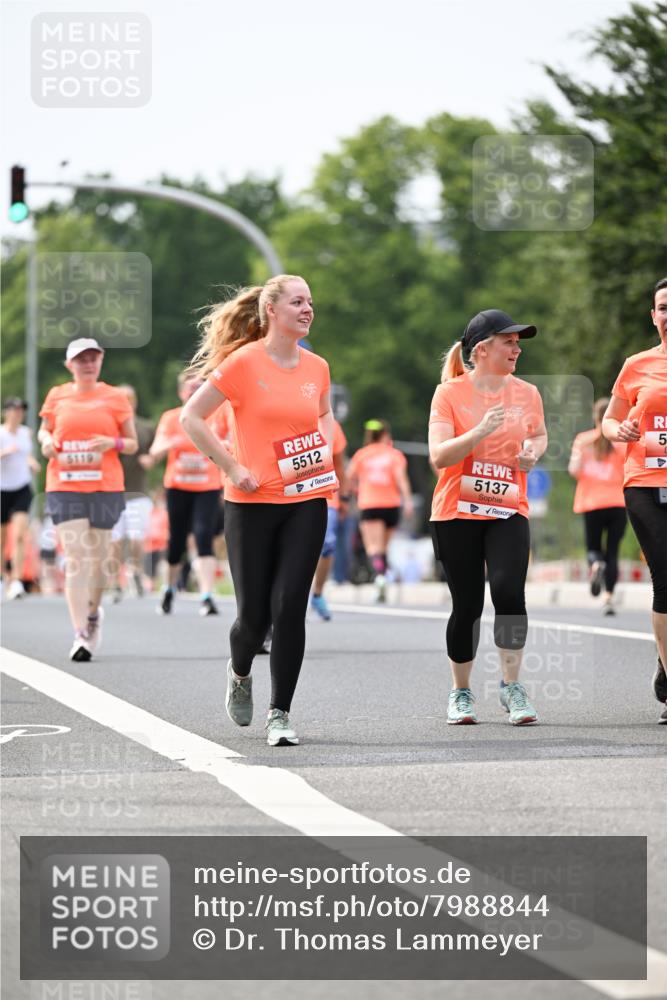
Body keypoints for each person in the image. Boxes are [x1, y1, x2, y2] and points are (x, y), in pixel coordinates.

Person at [181, 274, 336, 747]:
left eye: (310, 301)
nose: (307, 309)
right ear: (272, 310)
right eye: (297, 302)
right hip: (249, 502)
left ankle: (280, 713)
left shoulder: (317, 368)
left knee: (291, 607)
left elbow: (325, 416)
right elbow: (193, 417)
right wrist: (231, 465)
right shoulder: (243, 363)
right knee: (254, 620)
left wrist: (324, 446)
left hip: (306, 499)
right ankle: (240, 671)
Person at [428, 309, 547, 726]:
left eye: (518, 342)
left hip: (508, 507)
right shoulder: (449, 394)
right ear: (482, 350)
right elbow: (439, 456)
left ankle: (512, 685)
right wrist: (478, 431)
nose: (517, 349)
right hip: (455, 511)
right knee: (468, 605)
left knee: (509, 593)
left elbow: (537, 433)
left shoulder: (527, 393)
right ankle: (461, 692)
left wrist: (532, 453)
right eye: (508, 341)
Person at [37, 338, 138, 660]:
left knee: (99, 562)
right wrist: (47, 441)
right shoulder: (57, 395)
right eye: (81, 359)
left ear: (101, 361)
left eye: (93, 358)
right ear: (70, 365)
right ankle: (80, 633)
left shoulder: (115, 397)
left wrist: (112, 442)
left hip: (105, 485)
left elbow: (133, 443)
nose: (88, 364)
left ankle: (94, 615)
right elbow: (43, 431)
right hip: (64, 483)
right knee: (77, 556)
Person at [602, 277, 667, 724]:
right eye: (664, 307)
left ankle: (663, 665)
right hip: (645, 482)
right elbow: (610, 420)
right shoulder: (637, 365)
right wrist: (618, 431)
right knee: (666, 578)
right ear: (654, 315)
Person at [150, 373, 223, 616]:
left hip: (208, 487)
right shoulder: (172, 418)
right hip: (178, 487)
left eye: (199, 389)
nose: (194, 393)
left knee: (204, 535)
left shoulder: (215, 417)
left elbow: (231, 442)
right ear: (181, 393)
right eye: (190, 389)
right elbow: (155, 451)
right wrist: (171, 442)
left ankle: (207, 596)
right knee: (177, 541)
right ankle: (169, 588)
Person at [568, 397, 626, 615]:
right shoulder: (621, 444)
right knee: (613, 552)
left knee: (593, 548)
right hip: (617, 503)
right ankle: (608, 598)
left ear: (595, 417)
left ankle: (595, 566)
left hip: (591, 504)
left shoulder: (583, 441)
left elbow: (574, 470)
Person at [347, 419, 413, 603]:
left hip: (369, 504)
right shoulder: (395, 455)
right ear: (385, 435)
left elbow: (348, 478)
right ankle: (383, 575)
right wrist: (407, 502)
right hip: (391, 505)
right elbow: (402, 480)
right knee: (384, 546)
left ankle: (380, 577)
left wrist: (352, 493)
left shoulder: (361, 455)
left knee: (373, 547)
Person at [109, 385, 155, 600]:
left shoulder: (145, 427)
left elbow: (157, 448)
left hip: (138, 492)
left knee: (137, 538)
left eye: (129, 399)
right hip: (114, 492)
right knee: (116, 540)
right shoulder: (110, 429)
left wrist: (152, 458)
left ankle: (135, 571)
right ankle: (115, 583)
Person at [310, 416, 349, 620]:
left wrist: (344, 497)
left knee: (327, 544)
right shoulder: (290, 416)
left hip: (328, 496)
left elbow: (339, 464)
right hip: (297, 494)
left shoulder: (331, 425)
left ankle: (317, 593)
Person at [1, 397, 39, 599]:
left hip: (22, 487)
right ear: (6, 412)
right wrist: (5, 452)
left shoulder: (26, 433)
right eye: (14, 410)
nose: (17, 414)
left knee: (19, 535)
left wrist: (32, 463)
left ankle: (16, 581)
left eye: (21, 410)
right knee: (2, 537)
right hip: (2, 489)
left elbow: (27, 454)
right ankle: (2, 577)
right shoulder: (1, 434)